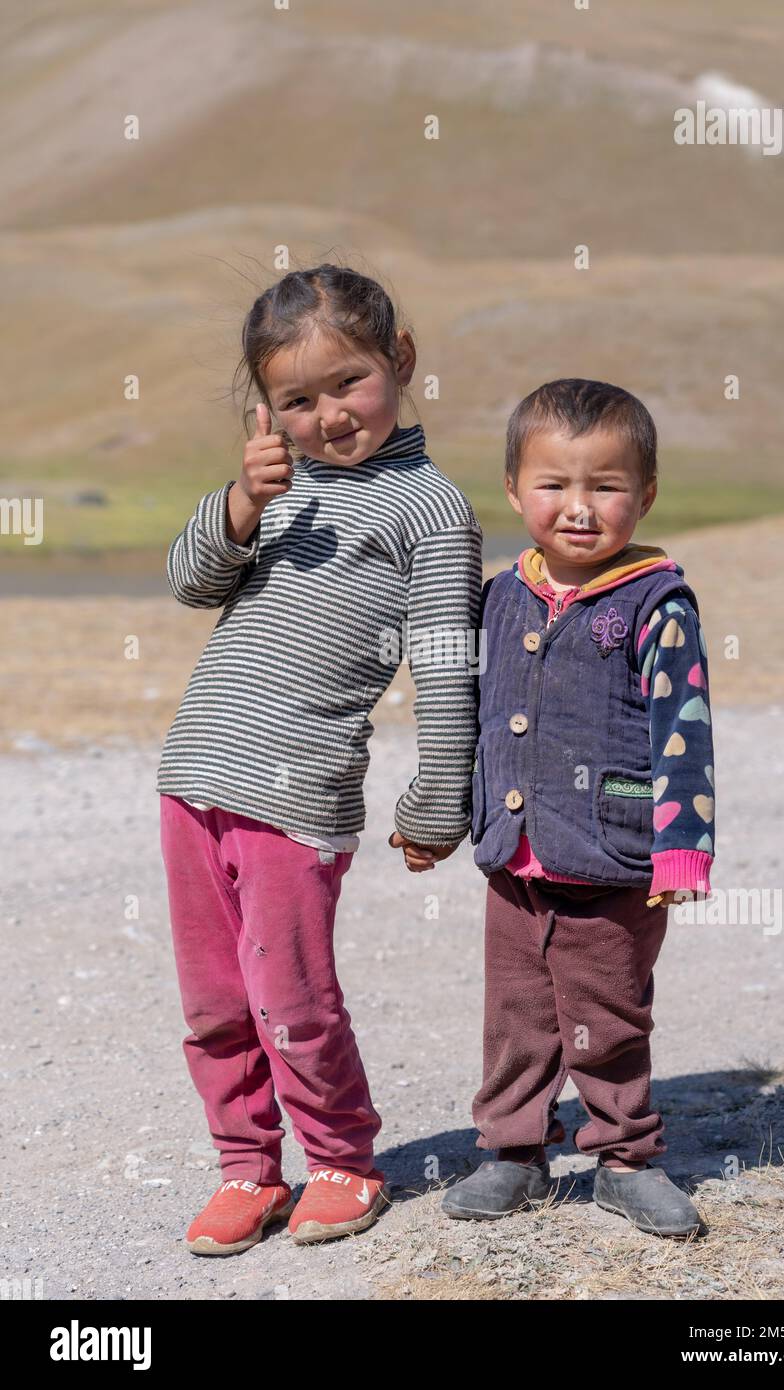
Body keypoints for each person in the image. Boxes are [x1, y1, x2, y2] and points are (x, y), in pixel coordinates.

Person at [157, 263, 481, 1253]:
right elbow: (187, 582)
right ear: (266, 411)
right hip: (192, 777)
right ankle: (247, 1171)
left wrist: (436, 799)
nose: (329, 414)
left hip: (297, 794)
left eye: (348, 382)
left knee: (288, 997)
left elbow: (443, 664)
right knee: (214, 1003)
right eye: (297, 400)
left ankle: (341, 1158)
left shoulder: (428, 510)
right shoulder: (277, 487)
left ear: (400, 361)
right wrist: (239, 505)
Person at [437, 378, 715, 1238]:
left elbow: (685, 731)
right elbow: (468, 715)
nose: (580, 508)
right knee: (516, 1013)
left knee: (607, 1014)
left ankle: (627, 1156)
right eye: (554, 485)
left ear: (647, 494)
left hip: (614, 855)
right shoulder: (499, 594)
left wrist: (683, 851)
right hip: (514, 858)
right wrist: (442, 817)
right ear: (516, 490)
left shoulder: (655, 604)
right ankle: (514, 1152)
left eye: (607, 486)